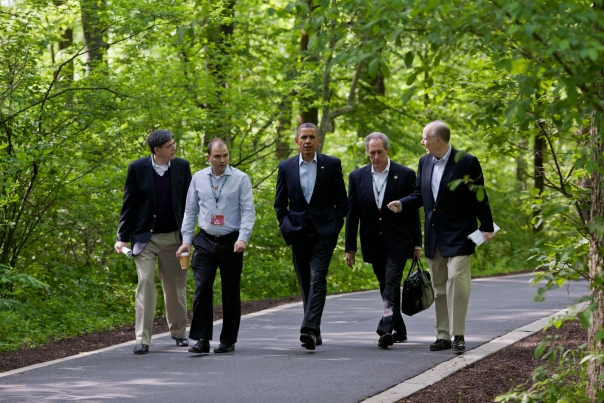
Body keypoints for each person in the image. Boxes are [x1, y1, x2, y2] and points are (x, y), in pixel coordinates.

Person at [387, 121, 495, 353]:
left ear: (438, 140)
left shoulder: (466, 161)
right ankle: (443, 335)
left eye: (424, 138)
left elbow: (479, 196)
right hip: (434, 235)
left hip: (460, 234)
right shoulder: (424, 162)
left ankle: (458, 335)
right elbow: (420, 194)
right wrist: (402, 204)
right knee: (439, 288)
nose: (422, 142)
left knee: (456, 281)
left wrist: (486, 226)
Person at [114, 129, 192, 354]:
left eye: (173, 144)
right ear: (157, 150)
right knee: (145, 282)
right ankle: (142, 339)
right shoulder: (137, 168)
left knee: (175, 287)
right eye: (169, 146)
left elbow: (190, 204)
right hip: (144, 239)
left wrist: (188, 237)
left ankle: (179, 333)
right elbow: (129, 204)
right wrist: (122, 238)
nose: (174, 148)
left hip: (175, 239)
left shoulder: (182, 167)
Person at [177, 138, 255, 354]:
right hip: (204, 240)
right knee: (202, 288)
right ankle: (202, 338)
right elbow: (190, 211)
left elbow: (248, 211)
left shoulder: (240, 179)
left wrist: (243, 237)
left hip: (232, 241)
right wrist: (186, 241)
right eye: (218, 156)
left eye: (226, 155)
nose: (222, 160)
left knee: (230, 291)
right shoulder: (199, 178)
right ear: (208, 157)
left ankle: (228, 340)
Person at [274, 123, 347, 350]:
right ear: (297, 141)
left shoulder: (331, 165)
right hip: (298, 233)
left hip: (323, 234)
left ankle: (308, 329)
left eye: (312, 137)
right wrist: (287, 227)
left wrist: (333, 227)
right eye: (303, 137)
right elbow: (279, 205)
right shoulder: (285, 167)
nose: (307, 141)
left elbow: (342, 203)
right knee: (305, 282)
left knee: (318, 280)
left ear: (318, 140)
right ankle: (314, 329)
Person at [345, 132, 422, 349]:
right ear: (366, 153)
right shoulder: (357, 177)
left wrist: (417, 243)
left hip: (399, 240)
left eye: (380, 152)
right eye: (372, 153)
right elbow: (352, 215)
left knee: (391, 282)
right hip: (372, 241)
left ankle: (385, 329)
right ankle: (400, 329)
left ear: (387, 150)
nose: (376, 156)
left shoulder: (405, 175)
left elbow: (413, 212)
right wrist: (349, 247)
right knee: (384, 284)